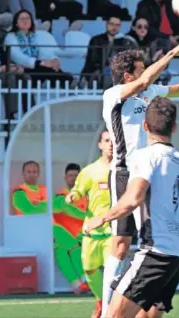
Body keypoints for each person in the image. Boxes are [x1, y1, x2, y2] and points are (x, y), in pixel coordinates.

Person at [101, 45, 179, 317]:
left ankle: (150, 301)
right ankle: (106, 307)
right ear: (129, 76)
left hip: (153, 174)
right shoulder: (114, 96)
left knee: (157, 241)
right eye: (141, 69)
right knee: (120, 244)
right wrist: (171, 53)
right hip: (125, 173)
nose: (147, 75)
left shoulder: (149, 94)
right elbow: (146, 80)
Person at [65, 130, 113, 318]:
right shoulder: (89, 171)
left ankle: (112, 307)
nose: (111, 144)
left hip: (114, 231)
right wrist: (73, 196)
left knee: (112, 272)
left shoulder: (123, 169)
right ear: (100, 144)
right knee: (89, 269)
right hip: (92, 232)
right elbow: (78, 190)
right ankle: (101, 300)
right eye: (107, 141)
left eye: (113, 141)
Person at [53, 163, 90, 294]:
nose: (73, 178)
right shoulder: (60, 196)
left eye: (76, 176)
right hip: (68, 236)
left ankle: (85, 283)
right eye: (70, 175)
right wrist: (91, 216)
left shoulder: (87, 196)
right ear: (65, 178)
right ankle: (81, 283)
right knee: (67, 249)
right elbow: (71, 211)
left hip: (85, 235)